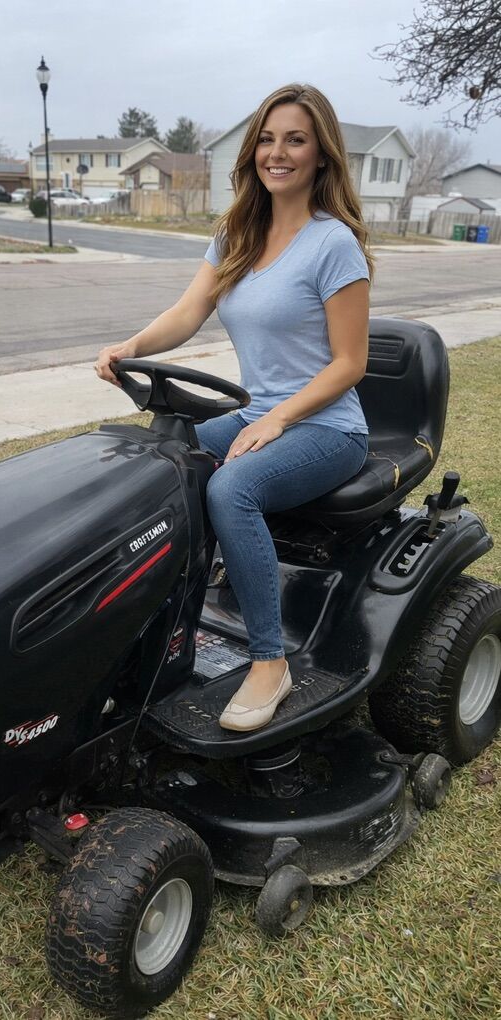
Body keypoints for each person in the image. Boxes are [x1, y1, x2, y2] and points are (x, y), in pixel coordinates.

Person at [96, 83, 372, 732]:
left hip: (327, 426)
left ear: (321, 154)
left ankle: (269, 664)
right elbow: (190, 312)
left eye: (295, 139)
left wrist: (276, 419)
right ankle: (160, 624)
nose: (278, 152)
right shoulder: (238, 233)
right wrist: (133, 346)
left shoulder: (335, 244)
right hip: (260, 417)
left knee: (231, 490)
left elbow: (348, 363)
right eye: (268, 139)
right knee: (155, 461)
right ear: (252, 152)